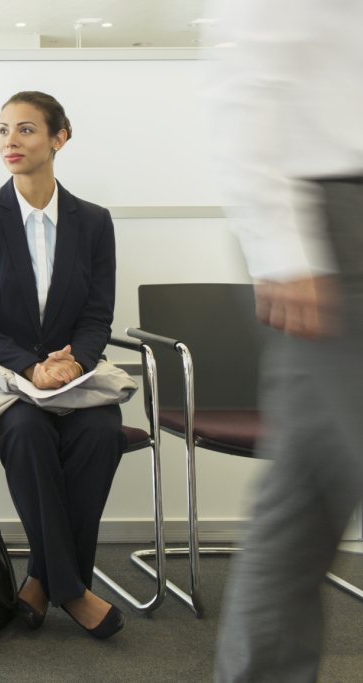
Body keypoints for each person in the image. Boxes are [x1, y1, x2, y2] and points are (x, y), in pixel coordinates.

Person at [208, 1, 363, 680]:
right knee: (309, 488)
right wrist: (279, 242)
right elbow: (246, 79)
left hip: (335, 214)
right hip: (331, 220)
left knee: (303, 494)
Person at [0, 91, 127, 638]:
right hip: (4, 383)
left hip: (71, 380)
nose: (10, 142)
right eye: (2, 130)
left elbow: (98, 314)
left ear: (59, 138)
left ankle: (42, 581)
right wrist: (31, 368)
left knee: (101, 433)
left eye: (25, 130)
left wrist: (73, 365)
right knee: (27, 434)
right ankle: (74, 591)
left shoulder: (93, 222)